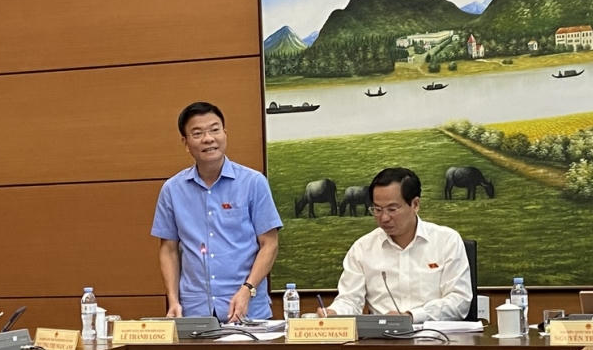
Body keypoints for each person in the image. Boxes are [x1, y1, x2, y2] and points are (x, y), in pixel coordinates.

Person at [151, 101, 283, 323]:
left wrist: (248, 289)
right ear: (185, 143)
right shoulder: (172, 190)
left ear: (225, 134)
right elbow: (168, 250)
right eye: (198, 133)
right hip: (194, 311)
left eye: (214, 130)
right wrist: (173, 300)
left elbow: (269, 244)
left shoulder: (253, 182)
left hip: (248, 309)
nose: (208, 138)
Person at [320, 167, 472, 323]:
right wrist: (335, 312)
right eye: (377, 209)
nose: (384, 218)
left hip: (435, 335)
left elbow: (459, 300)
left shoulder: (447, 240)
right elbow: (350, 300)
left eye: (392, 209)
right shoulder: (362, 248)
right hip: (382, 336)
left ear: (415, 204)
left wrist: (412, 316)